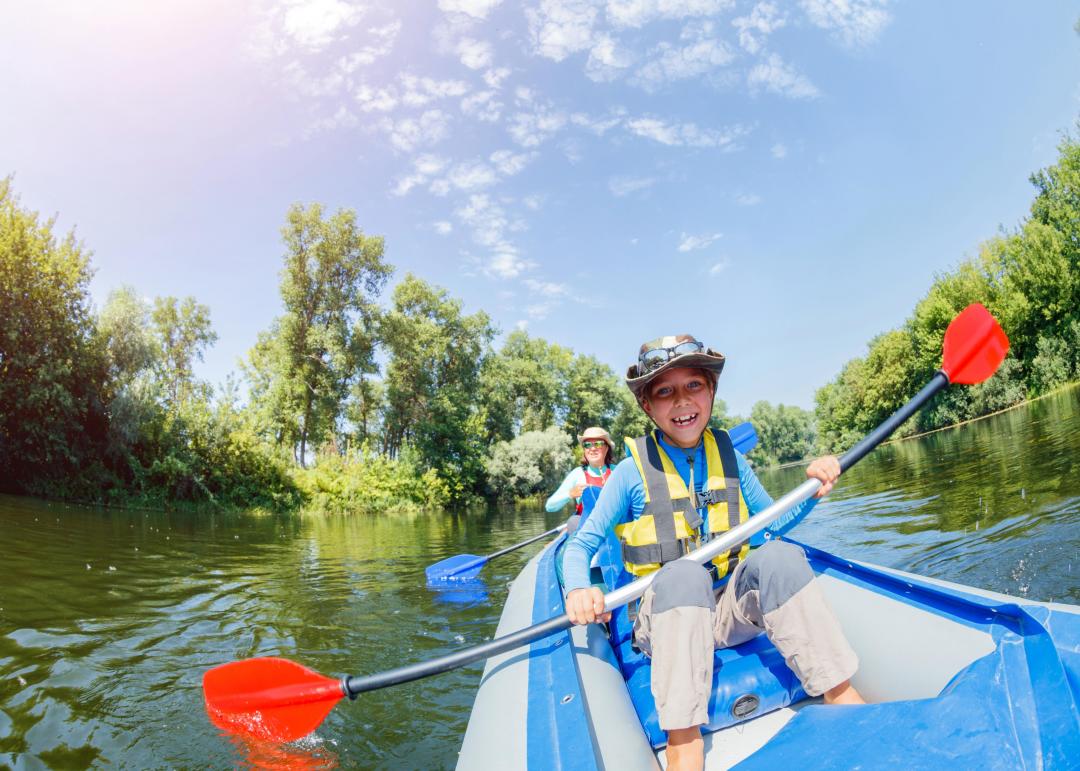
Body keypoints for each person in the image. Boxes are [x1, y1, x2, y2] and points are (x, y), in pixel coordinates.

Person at [562, 335, 864, 771]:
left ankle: (839, 692)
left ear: (711, 392)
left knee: (779, 556)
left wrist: (813, 489)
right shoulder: (630, 472)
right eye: (665, 391)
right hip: (665, 621)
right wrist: (578, 588)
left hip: (727, 612)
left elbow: (772, 523)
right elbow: (581, 546)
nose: (682, 401)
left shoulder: (732, 460)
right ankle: (684, 740)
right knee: (684, 575)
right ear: (648, 406)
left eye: (693, 386)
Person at [544, 426, 616, 519]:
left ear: (606, 448)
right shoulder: (578, 474)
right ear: (584, 450)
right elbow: (549, 506)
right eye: (587, 445)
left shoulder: (617, 471)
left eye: (598, 444)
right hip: (587, 528)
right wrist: (570, 494)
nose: (593, 448)